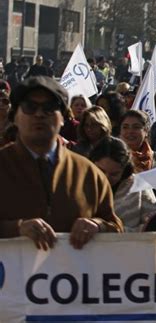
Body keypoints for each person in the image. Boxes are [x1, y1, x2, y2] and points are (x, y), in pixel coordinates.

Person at [0, 76, 123, 250]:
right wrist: (17, 228)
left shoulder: (88, 173)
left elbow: (116, 229)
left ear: (63, 118)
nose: (39, 114)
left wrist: (97, 225)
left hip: (72, 276)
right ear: (15, 117)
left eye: (50, 108)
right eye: (30, 107)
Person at [90, 137, 156, 232]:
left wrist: (112, 231)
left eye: (114, 174)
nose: (106, 177)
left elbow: (152, 227)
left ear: (124, 170)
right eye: (101, 171)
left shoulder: (139, 186)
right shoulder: (80, 184)